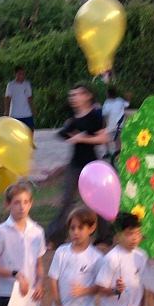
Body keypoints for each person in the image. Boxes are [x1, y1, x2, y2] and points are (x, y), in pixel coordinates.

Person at [46, 83, 109, 248]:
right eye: (71, 95)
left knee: (98, 202)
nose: (73, 98)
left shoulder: (95, 115)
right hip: (74, 165)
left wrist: (82, 138)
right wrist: (69, 133)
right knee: (66, 201)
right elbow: (62, 134)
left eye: (77, 94)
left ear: (87, 96)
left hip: (92, 166)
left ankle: (104, 238)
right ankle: (54, 238)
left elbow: (104, 139)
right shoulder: (74, 118)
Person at [5, 66, 35, 142]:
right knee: (15, 130)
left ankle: (30, 142)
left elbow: (29, 97)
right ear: (15, 74)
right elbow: (7, 98)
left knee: (31, 127)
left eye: (23, 74)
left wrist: (33, 107)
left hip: (26, 111)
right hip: (15, 113)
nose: (22, 75)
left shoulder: (27, 84)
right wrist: (6, 111)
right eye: (19, 73)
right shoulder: (11, 85)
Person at [101, 87, 130, 162]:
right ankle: (119, 153)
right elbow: (127, 104)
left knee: (105, 137)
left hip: (113, 126)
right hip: (121, 124)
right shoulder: (120, 100)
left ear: (107, 94)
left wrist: (103, 126)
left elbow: (104, 115)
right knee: (118, 140)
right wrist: (128, 97)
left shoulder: (107, 103)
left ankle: (108, 152)